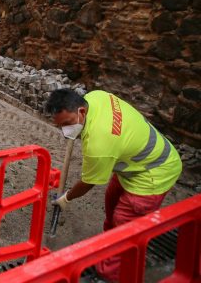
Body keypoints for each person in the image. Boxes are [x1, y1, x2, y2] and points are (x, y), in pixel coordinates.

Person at [45, 89, 182, 282]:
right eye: (60, 126)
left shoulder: (98, 145)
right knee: (111, 200)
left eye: (67, 124)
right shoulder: (95, 96)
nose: (65, 131)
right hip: (135, 162)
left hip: (155, 172)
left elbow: (89, 182)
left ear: (82, 112)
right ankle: (111, 245)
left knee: (125, 219)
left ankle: (109, 273)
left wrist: (66, 197)